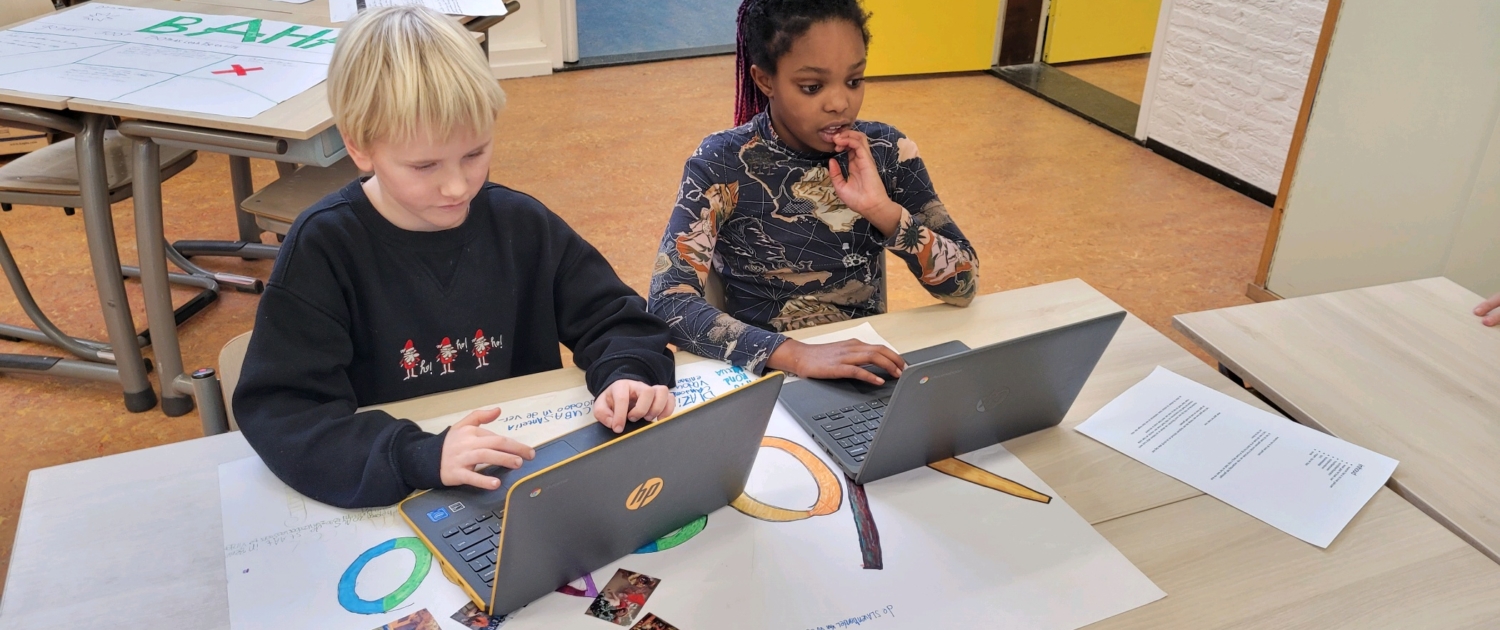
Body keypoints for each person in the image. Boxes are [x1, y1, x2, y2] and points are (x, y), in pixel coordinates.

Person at [233, 6, 676, 509]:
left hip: (519, 480)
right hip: (399, 493)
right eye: (424, 166)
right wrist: (415, 455)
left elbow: (615, 319)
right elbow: (285, 412)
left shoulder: (521, 224)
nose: (457, 186)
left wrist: (627, 373)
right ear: (358, 148)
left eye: (474, 154)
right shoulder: (324, 246)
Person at [648, 0, 979, 385]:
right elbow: (668, 303)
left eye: (854, 81)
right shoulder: (720, 162)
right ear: (765, 80)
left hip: (866, 370)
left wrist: (885, 213)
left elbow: (964, 287)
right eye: (812, 87)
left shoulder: (888, 152)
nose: (840, 103)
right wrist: (796, 355)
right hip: (766, 375)